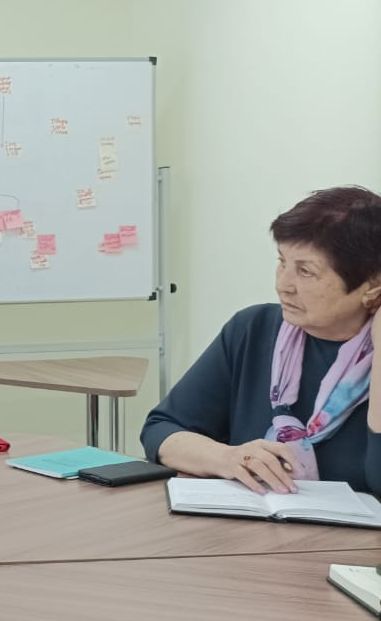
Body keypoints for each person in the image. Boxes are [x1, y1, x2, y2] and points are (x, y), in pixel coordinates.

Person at [143, 186, 381, 496]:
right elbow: (161, 430)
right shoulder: (253, 329)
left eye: (305, 272)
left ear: (372, 286)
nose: (283, 285)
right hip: (248, 524)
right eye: (282, 261)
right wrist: (227, 458)